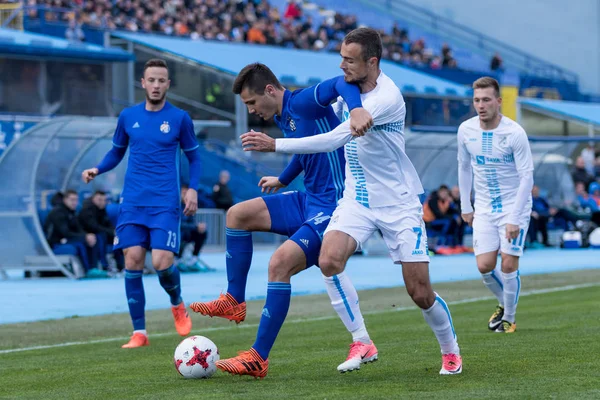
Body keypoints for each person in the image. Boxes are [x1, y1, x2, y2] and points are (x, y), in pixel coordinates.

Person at [241, 28, 462, 375]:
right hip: (356, 196)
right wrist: (284, 175)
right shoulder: (352, 88)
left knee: (419, 291)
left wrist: (275, 145)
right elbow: (333, 93)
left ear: (371, 62)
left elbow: (330, 140)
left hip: (397, 202)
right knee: (328, 260)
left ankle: (450, 349)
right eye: (341, 57)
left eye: (349, 59)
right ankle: (362, 339)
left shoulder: (385, 98)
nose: (341, 65)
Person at [190, 62, 377, 378]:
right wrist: (284, 178)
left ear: (270, 90)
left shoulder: (303, 101)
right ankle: (234, 300)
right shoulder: (283, 116)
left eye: (251, 103)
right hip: (309, 199)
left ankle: (258, 358)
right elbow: (306, 150)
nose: (252, 111)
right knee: (238, 215)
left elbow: (341, 84)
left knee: (279, 264)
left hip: (334, 206)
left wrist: (356, 110)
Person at [81, 58, 201, 348]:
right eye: (152, 80)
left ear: (168, 84)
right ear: (143, 83)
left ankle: (176, 301)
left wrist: (193, 190)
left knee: (161, 262)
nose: (156, 85)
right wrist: (98, 168)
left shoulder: (180, 118)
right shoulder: (127, 117)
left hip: (164, 203)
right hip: (133, 202)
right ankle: (139, 333)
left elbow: (194, 158)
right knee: (132, 260)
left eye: (162, 80)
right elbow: (116, 152)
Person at [457, 76, 534, 334]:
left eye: (487, 99)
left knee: (509, 264)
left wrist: (515, 217)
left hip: (515, 207)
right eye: (477, 100)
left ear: (498, 102)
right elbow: (464, 166)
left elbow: (527, 177)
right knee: (484, 266)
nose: (481, 105)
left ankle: (509, 319)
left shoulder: (514, 133)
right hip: (485, 209)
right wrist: (465, 205)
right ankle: (504, 302)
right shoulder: (465, 130)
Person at [44, 189, 104, 277]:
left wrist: (87, 236)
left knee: (94, 238)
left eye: (76, 200)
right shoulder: (57, 212)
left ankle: (94, 268)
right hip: (56, 243)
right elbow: (65, 232)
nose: (74, 202)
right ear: (65, 200)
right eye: (72, 200)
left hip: (68, 239)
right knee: (80, 244)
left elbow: (78, 229)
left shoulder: (72, 212)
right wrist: (84, 237)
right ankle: (86, 271)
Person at [78, 190, 125, 272]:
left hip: (101, 234)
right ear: (93, 199)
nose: (102, 202)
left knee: (117, 239)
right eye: (99, 200)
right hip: (88, 235)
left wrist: (115, 232)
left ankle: (121, 266)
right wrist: (110, 232)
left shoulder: (102, 210)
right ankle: (103, 266)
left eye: (104, 200)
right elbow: (94, 227)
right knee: (100, 237)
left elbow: (107, 224)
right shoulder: (87, 210)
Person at [177, 184, 209, 272]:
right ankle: (178, 260)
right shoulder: (174, 206)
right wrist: (195, 226)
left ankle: (194, 259)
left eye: (186, 193)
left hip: (186, 233)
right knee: (185, 232)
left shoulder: (188, 206)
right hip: (176, 234)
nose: (185, 195)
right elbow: (178, 224)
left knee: (201, 232)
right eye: (183, 193)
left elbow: (190, 223)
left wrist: (198, 226)